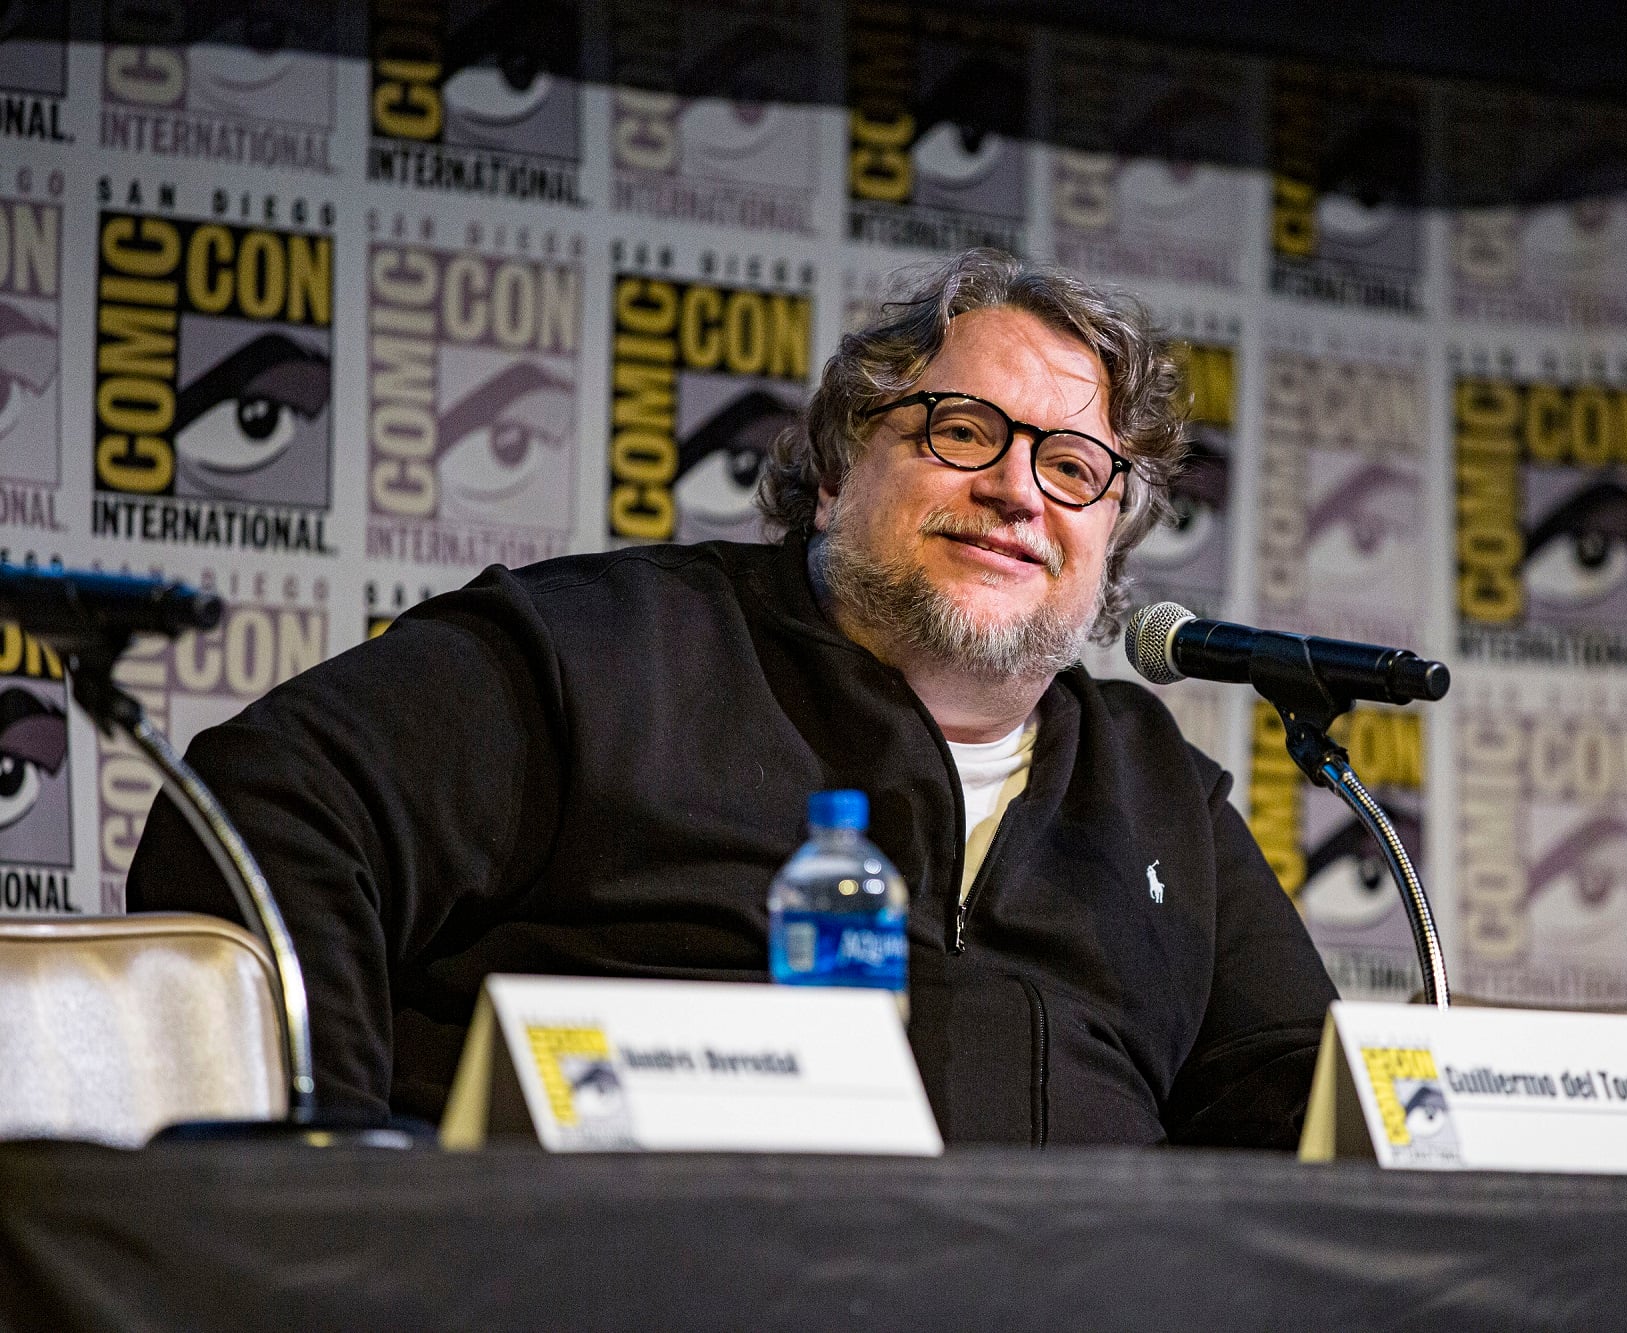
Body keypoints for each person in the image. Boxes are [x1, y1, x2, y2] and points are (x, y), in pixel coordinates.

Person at [129, 250, 1337, 1146]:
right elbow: (264, 812)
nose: (1017, 491)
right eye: (963, 431)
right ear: (836, 470)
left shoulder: (1159, 796)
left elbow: (1309, 1102)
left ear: (1111, 541)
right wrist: (341, 1171)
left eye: (1072, 467)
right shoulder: (608, 652)